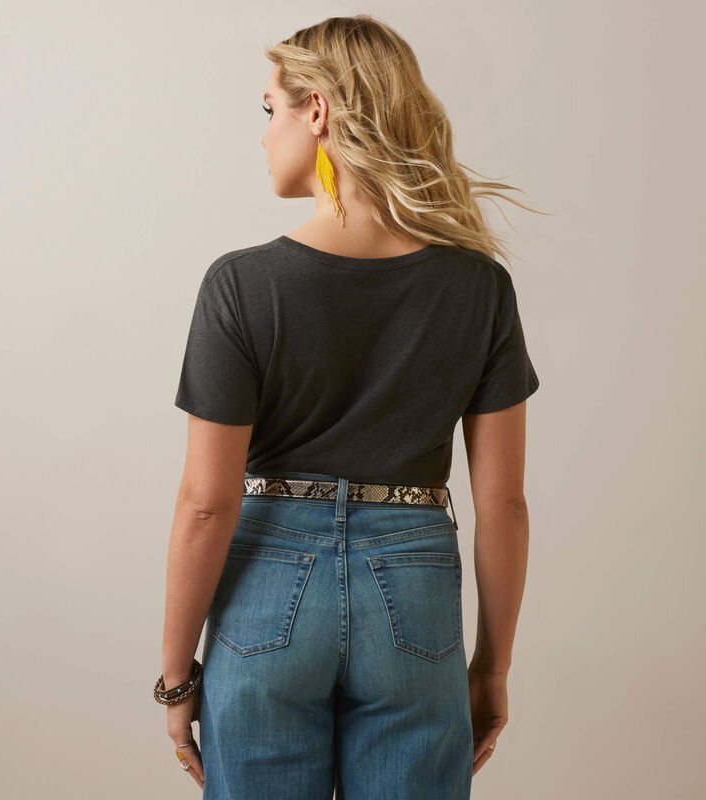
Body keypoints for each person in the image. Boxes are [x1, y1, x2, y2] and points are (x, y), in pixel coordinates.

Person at [156, 14, 541, 799]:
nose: (264, 134)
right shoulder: (480, 288)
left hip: (269, 583)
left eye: (271, 109)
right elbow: (503, 506)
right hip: (414, 585)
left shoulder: (242, 286)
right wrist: (492, 668)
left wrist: (175, 676)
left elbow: (205, 504)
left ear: (318, 111)